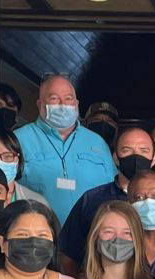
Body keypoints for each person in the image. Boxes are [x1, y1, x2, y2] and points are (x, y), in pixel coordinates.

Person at [56, 126, 155, 269]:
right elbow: (68, 253)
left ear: (154, 157)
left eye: (144, 151)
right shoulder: (92, 199)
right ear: (115, 157)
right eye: (127, 150)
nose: (136, 157)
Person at [14, 73, 117, 223]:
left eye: (68, 98)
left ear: (76, 104)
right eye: (54, 98)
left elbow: (114, 190)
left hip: (90, 236)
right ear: (40, 104)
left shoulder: (97, 143)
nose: (62, 104)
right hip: (37, 236)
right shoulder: (18, 139)